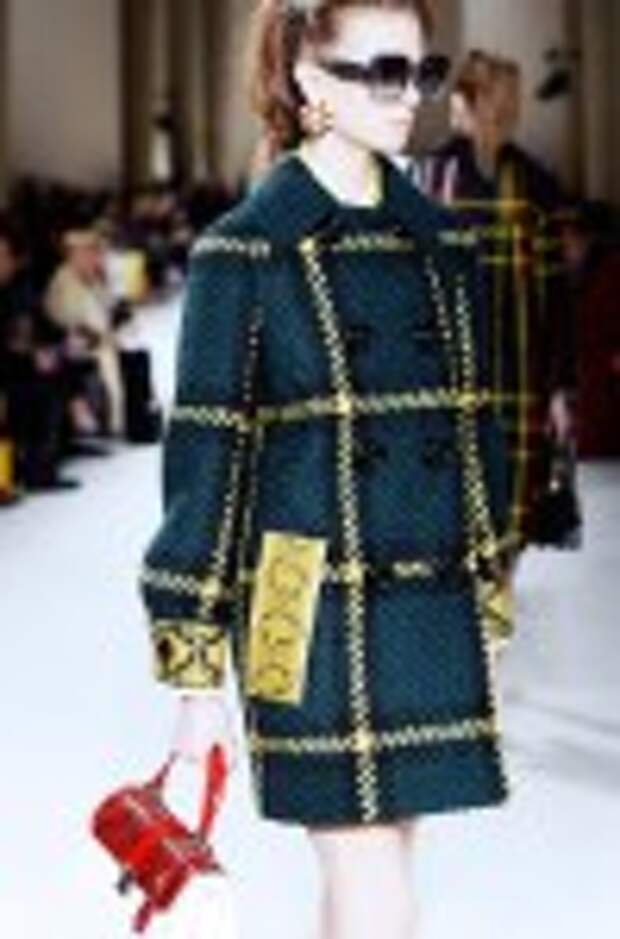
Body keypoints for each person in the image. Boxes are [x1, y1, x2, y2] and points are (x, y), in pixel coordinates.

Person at [138, 3, 513, 937]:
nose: (409, 96)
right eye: (381, 72)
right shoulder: (246, 250)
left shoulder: (445, 245)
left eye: (421, 72)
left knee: (384, 859)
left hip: (428, 599)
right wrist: (195, 681)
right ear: (310, 82)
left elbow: (475, 433)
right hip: (302, 603)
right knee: (366, 864)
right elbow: (206, 462)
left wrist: (489, 598)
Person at [420, 51, 578, 562]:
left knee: (486, 518)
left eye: (461, 98)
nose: (453, 108)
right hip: (488, 376)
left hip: (486, 377)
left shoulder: (437, 180)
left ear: (474, 103)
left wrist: (561, 388)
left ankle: (490, 593)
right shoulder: (526, 184)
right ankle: (489, 592)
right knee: (483, 518)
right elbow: (557, 300)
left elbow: (556, 297)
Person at [0, 223, 80, 492]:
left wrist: (59, 341)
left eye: (5, 255)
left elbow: (42, 324)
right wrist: (26, 355)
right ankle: (35, 468)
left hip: (20, 366)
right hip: (11, 370)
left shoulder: (19, 289)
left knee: (59, 369)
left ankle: (51, 456)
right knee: (37, 389)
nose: (3, 262)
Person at [45, 228, 126, 438]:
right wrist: (95, 336)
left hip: (99, 341)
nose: (92, 258)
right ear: (72, 255)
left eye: (94, 252)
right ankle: (104, 421)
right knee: (102, 360)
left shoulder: (96, 279)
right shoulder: (63, 280)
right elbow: (64, 319)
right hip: (75, 344)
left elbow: (112, 310)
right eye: (85, 253)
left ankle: (115, 419)